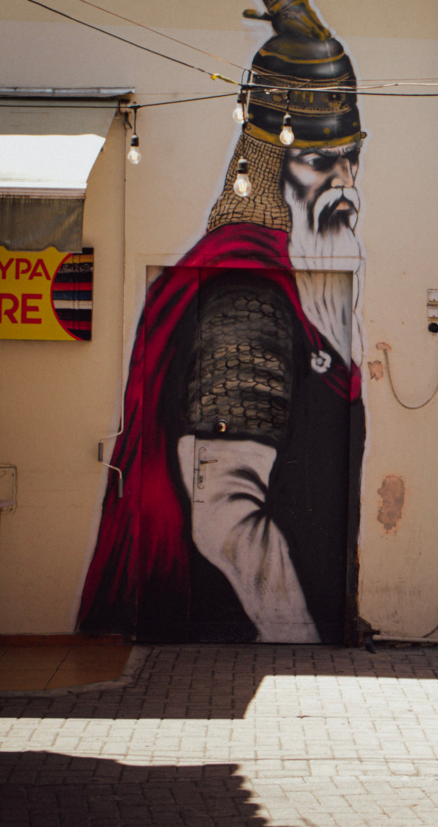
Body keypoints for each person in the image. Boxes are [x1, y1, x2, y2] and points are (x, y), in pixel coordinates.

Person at [77, 0, 366, 644]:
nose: (344, 182)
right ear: (269, 162)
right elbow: (224, 513)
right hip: (221, 624)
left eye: (350, 157)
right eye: (320, 161)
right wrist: (302, 632)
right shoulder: (246, 294)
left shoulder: (289, 289)